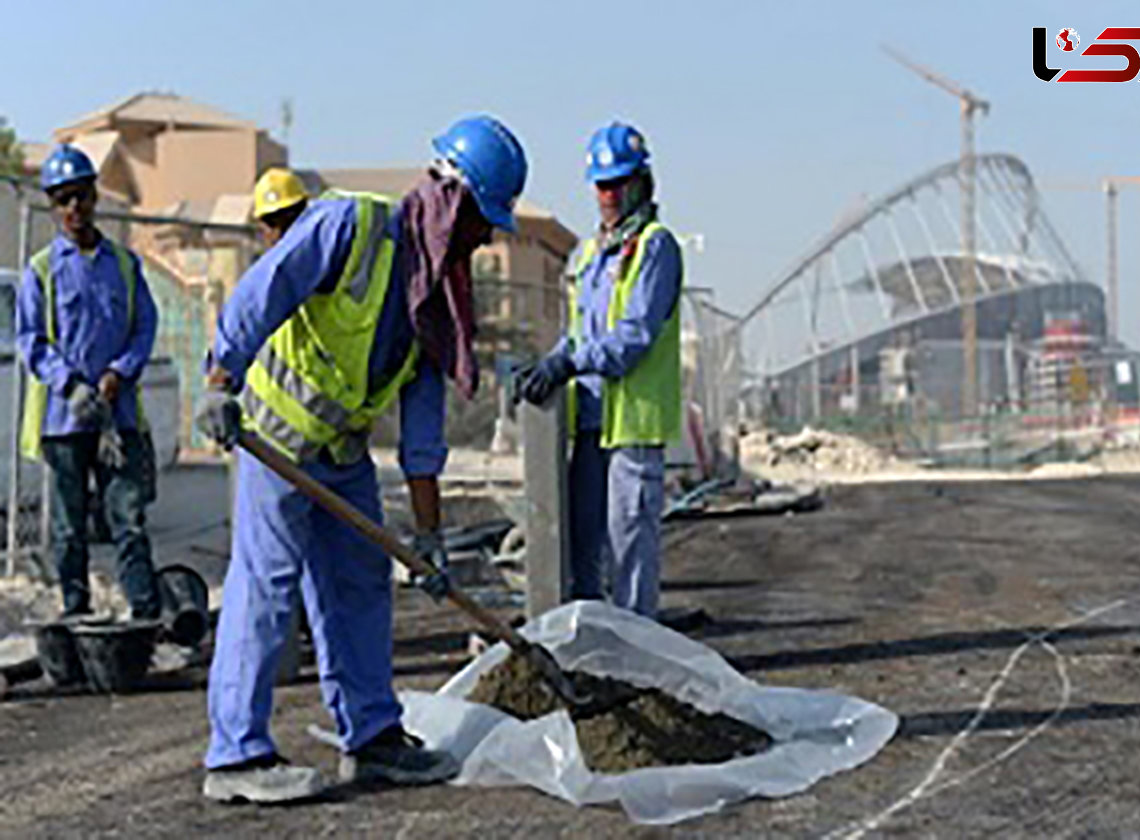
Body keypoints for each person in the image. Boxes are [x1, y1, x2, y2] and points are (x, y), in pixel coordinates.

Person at [196, 117, 527, 804]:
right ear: (451, 199)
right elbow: (265, 290)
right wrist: (220, 381)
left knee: (359, 588)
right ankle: (235, 757)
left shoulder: (436, 300)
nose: (486, 238)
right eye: (482, 221)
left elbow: (423, 439)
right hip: (275, 441)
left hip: (340, 457)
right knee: (266, 589)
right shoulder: (352, 227)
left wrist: (430, 539)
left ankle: (372, 738)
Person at [517, 121, 683, 618]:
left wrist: (570, 360)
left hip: (631, 428)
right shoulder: (590, 254)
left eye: (618, 183)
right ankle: (591, 646)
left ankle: (636, 656)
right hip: (590, 424)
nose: (608, 195)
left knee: (629, 550)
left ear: (640, 182)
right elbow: (580, 332)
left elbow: (631, 337)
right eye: (601, 184)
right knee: (581, 547)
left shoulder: (655, 247)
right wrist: (551, 361)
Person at [16, 144, 161, 621]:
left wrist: (121, 370)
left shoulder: (123, 264)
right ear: (52, 207)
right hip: (65, 423)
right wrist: (70, 387)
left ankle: (145, 614)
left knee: (128, 521)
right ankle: (76, 613)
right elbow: (31, 340)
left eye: (79, 195)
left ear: (94, 196)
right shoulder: (40, 271)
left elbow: (144, 325)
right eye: (61, 199)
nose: (72, 207)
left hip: (118, 422)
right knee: (68, 529)